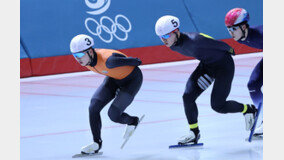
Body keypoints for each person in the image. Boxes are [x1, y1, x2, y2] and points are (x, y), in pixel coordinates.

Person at [155, 15, 257, 144]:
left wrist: (229, 49)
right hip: (207, 66)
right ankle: (194, 132)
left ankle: (248, 109)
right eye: (161, 37)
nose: (163, 40)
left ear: (176, 32)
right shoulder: (173, 45)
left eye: (165, 36)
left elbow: (217, 43)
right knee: (188, 97)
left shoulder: (195, 40)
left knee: (218, 106)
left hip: (223, 67)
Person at [70, 34, 143, 154]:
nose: (77, 59)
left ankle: (133, 121)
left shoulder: (110, 60)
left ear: (90, 52)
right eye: (74, 55)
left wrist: (132, 61)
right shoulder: (88, 59)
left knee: (113, 115)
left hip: (131, 81)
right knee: (93, 106)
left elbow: (136, 61)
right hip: (114, 78)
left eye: (79, 55)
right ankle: (96, 143)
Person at [225, 8, 263, 136]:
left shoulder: (261, 34)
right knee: (253, 85)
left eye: (233, 29)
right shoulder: (242, 37)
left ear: (243, 26)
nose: (231, 33)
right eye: (228, 29)